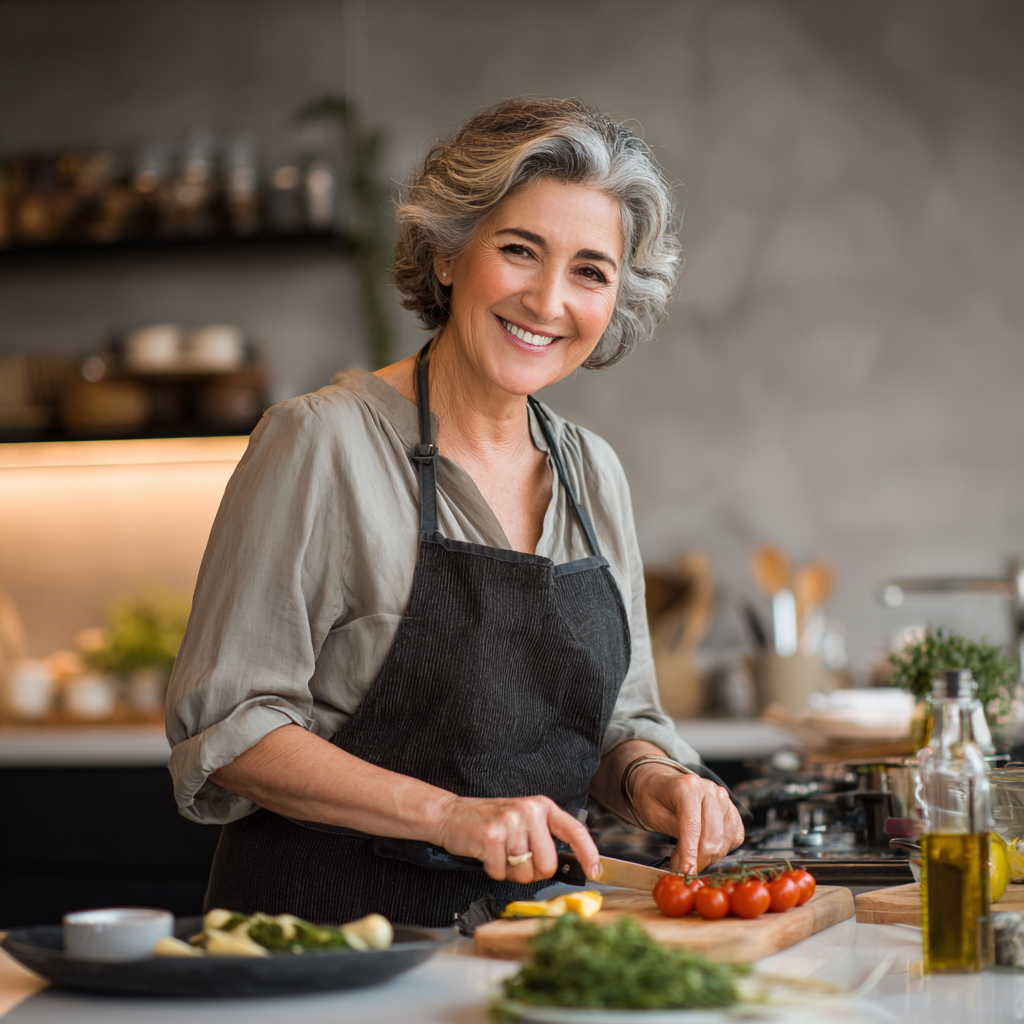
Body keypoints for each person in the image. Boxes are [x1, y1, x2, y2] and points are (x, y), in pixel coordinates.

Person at [166, 98, 744, 929]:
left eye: (590, 270)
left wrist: (658, 778)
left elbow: (622, 716)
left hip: (521, 949)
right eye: (518, 251)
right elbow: (229, 728)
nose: (548, 301)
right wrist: (450, 815)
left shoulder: (592, 473)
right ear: (445, 254)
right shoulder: (322, 441)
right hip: (324, 950)